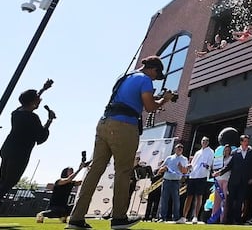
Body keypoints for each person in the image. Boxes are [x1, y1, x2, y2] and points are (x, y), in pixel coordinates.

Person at [66, 56, 174, 230]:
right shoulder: (146, 80)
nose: (155, 79)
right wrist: (165, 99)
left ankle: (76, 218)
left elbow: (129, 98)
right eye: (156, 75)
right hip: (124, 126)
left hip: (104, 122)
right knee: (123, 171)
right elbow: (150, 107)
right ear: (153, 69)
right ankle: (118, 218)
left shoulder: (124, 77)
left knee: (95, 170)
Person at [0, 82, 55, 228]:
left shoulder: (17, 113)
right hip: (20, 152)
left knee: (0, 183)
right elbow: (40, 137)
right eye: (38, 99)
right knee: (7, 184)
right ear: (33, 101)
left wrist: (42, 90)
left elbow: (29, 101)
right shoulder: (32, 118)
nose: (40, 101)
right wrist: (49, 121)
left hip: (8, 149)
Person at [214, 135, 252, 224]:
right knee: (230, 201)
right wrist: (219, 172)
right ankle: (228, 219)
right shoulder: (235, 152)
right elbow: (229, 165)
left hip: (244, 181)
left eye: (247, 141)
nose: (246, 143)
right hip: (234, 180)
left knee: (240, 201)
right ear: (241, 142)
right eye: (244, 141)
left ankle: (237, 220)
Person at [182, 136, 214, 224]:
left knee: (199, 196)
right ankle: (184, 217)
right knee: (189, 196)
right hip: (193, 176)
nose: (205, 142)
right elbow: (192, 164)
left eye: (207, 141)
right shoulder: (197, 152)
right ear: (201, 142)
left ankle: (195, 216)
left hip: (202, 176)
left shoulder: (211, 152)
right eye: (203, 141)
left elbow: (210, 164)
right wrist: (189, 167)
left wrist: (206, 166)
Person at [159, 143, 189, 222]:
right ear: (175, 149)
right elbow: (161, 168)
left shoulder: (184, 159)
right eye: (178, 148)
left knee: (176, 200)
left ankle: (176, 217)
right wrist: (163, 168)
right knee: (164, 200)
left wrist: (181, 167)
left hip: (176, 182)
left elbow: (185, 171)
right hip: (166, 180)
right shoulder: (169, 158)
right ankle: (162, 217)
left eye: (181, 148)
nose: (180, 149)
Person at [211, 145, 232, 223]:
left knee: (224, 200)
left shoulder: (231, 158)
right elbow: (214, 167)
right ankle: (213, 218)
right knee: (216, 200)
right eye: (225, 150)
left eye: (228, 150)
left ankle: (222, 219)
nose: (226, 151)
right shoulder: (219, 159)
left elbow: (228, 168)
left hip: (226, 179)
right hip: (218, 180)